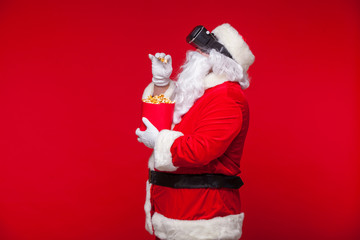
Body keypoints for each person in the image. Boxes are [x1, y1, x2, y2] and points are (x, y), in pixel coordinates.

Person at [135, 23, 255, 240]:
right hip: (173, 210)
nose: (196, 53)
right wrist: (161, 83)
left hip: (202, 215)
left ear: (220, 60)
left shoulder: (226, 97)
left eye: (204, 50)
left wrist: (160, 141)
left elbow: (201, 150)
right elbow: (155, 124)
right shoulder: (198, 92)